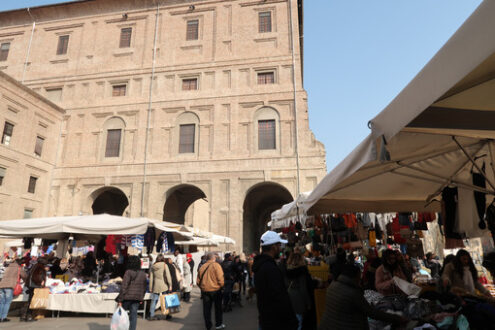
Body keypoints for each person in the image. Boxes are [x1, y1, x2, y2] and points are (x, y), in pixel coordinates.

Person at [318, 263, 407, 330]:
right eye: (358, 276)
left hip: (326, 325)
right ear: (353, 277)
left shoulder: (333, 285)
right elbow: (372, 313)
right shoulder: (352, 293)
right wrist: (398, 319)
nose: (360, 279)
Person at [253, 231, 298, 330]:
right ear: (273, 247)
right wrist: (291, 320)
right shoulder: (270, 268)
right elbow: (280, 297)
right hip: (275, 322)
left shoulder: (260, 266)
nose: (280, 248)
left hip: (265, 319)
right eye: (279, 245)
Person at [286, 252, 317, 330]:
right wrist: (308, 303)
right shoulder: (301, 272)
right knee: (299, 323)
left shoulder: (287, 270)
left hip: (289, 298)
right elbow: (303, 289)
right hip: (298, 300)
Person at [117, 255, 147, 330]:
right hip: (137, 298)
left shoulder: (128, 272)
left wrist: (120, 299)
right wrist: (141, 298)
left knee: (122, 315)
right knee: (133, 316)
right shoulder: (143, 273)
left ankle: (122, 328)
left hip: (127, 297)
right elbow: (144, 287)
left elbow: (124, 286)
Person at [197, 253, 225, 330]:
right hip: (216, 290)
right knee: (218, 308)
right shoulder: (216, 266)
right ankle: (218, 324)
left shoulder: (202, 266)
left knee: (206, 309)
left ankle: (208, 325)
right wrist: (222, 286)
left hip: (205, 290)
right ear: (214, 258)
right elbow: (221, 279)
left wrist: (203, 287)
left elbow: (198, 281)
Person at [148, 254, 172, 320]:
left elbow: (151, 278)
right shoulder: (164, 265)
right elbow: (168, 276)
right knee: (166, 300)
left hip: (156, 285)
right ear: (163, 259)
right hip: (164, 285)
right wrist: (170, 285)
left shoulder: (153, 266)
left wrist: (150, 287)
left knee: (154, 300)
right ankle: (167, 314)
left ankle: (151, 315)